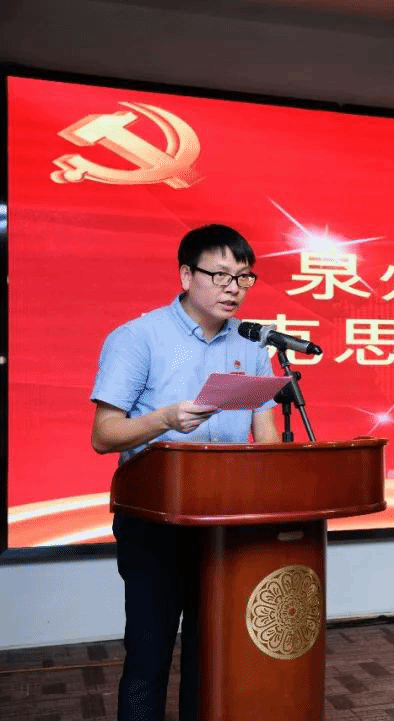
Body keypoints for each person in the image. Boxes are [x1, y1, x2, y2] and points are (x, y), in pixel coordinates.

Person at [90, 224, 279, 721]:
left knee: (211, 654)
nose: (233, 288)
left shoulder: (252, 345)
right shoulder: (138, 338)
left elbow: (266, 436)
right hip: (156, 521)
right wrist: (166, 420)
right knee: (149, 654)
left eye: (244, 277)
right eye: (220, 275)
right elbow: (103, 435)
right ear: (185, 275)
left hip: (226, 523)